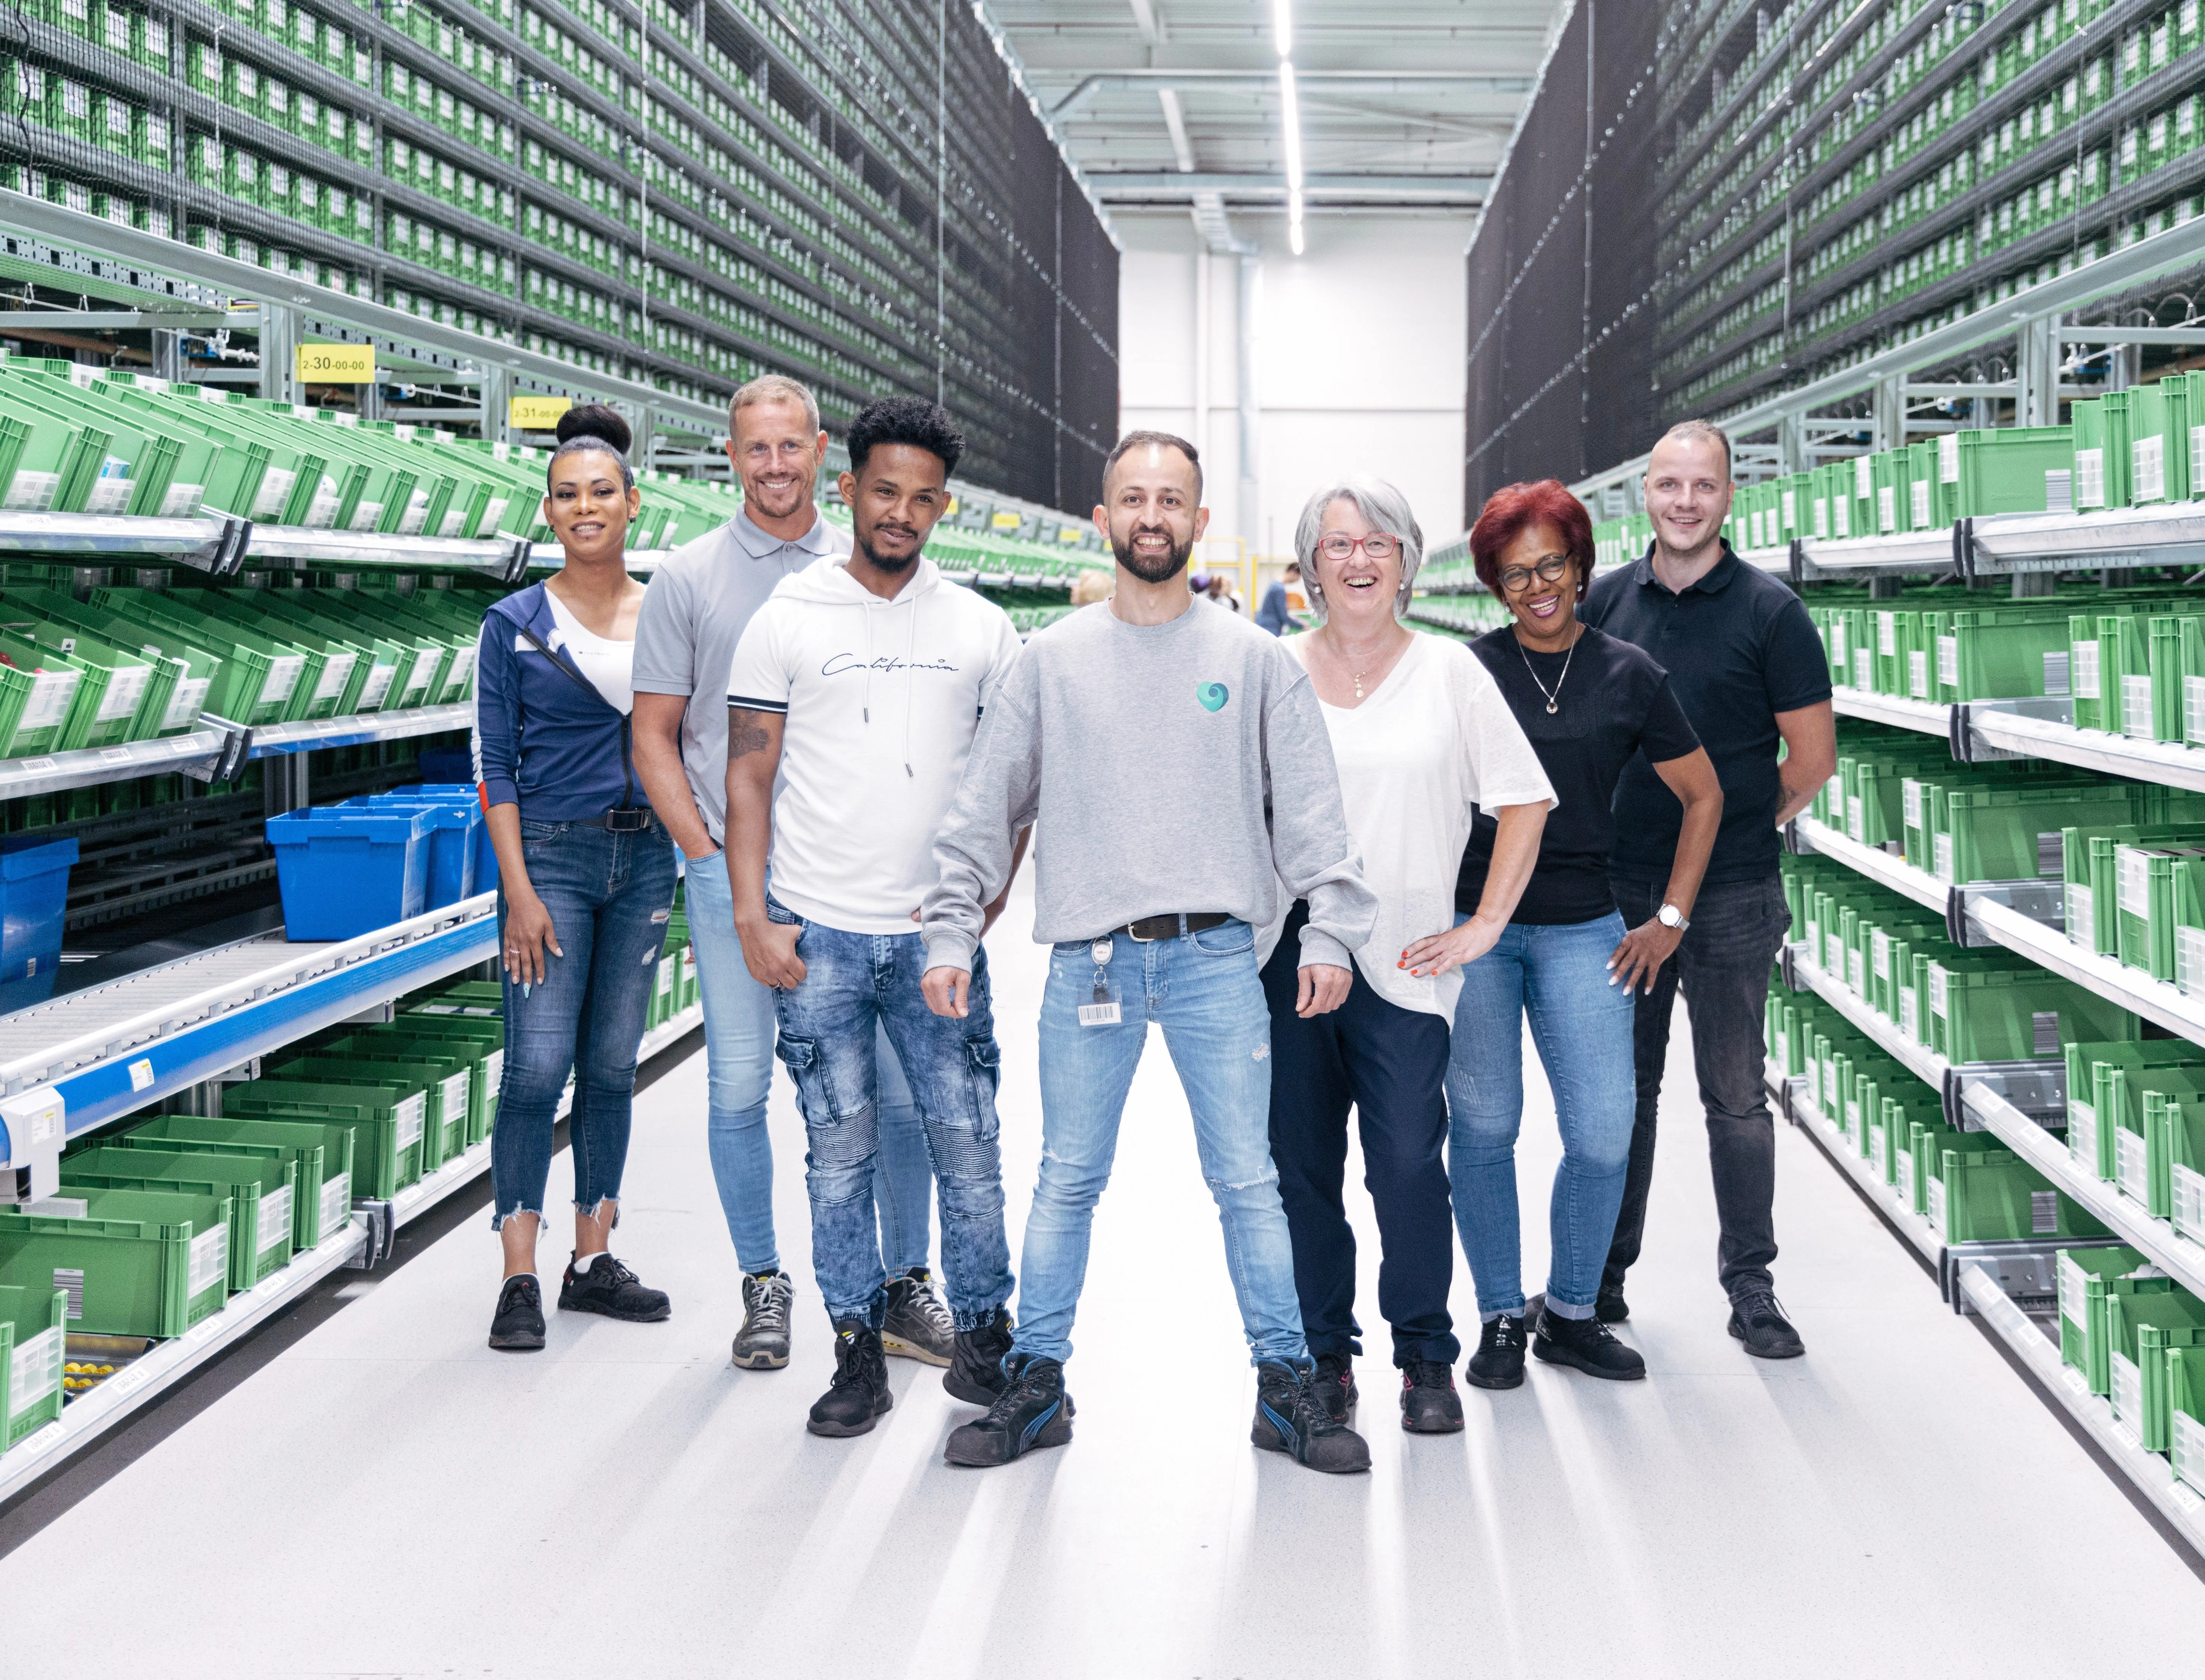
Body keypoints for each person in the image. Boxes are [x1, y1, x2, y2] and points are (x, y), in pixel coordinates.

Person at [921, 430, 1379, 1476]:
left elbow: (1314, 819)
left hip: (1217, 959)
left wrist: (1332, 933)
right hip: (1089, 962)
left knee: (1246, 1183)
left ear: (1197, 522)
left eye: (1170, 499)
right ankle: (1038, 1381)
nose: (1150, 516)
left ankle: (1284, 1385)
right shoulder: (1049, 663)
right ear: (1102, 518)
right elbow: (979, 812)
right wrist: (949, 928)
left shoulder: (1252, 662)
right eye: (1131, 498)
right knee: (1067, 1179)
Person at [631, 374, 947, 1374]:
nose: (774, 464)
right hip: (736, 877)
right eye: (753, 448)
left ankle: (905, 1286)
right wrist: (710, 858)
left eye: (790, 446)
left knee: (897, 1093)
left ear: (822, 456)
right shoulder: (688, 579)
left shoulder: (876, 566)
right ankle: (764, 1287)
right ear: (731, 456)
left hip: (859, 880)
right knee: (735, 1090)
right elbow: (653, 737)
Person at [724, 397, 1024, 1437]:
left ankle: (986, 1342)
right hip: (818, 937)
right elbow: (748, 776)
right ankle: (854, 1349)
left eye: (921, 498)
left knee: (967, 1143)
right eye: (883, 491)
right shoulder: (788, 619)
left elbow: (1008, 785)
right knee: (836, 1152)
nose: (900, 513)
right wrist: (754, 919)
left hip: (933, 939)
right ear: (847, 489)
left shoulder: (980, 628)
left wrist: (979, 903)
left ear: (945, 506)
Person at [1258, 478, 1553, 1434]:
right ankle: (1322, 1363)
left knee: (1404, 1168)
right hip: (1288, 967)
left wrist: (1485, 926)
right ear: (1308, 567)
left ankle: (1424, 1353)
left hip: (1408, 965)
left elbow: (1523, 799)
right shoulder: (1271, 671)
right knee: (1300, 1173)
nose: (1357, 558)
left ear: (1406, 561)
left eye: (1377, 541)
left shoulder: (1451, 675)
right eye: (1335, 543)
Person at [1449, 479, 1724, 1390]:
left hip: (1582, 928)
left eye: (1550, 565)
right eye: (1514, 572)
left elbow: (1703, 796)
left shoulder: (1626, 674)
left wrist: (1668, 920)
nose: (1535, 586)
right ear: (1493, 584)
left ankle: (1569, 1312)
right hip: (1476, 927)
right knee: (1484, 1129)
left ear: (1579, 564)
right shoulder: (1467, 672)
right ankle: (1496, 1315)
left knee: (1604, 1131)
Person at [1582, 420, 1836, 1358]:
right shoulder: (1605, 602)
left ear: (1728, 497)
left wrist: (1725, 834)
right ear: (1642, 495)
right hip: (1618, 890)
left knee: (1732, 1095)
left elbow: (1808, 762)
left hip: (1729, 895)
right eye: (1667, 485)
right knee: (1622, 1094)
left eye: (1702, 486)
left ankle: (1750, 1289)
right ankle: (1598, 1282)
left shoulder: (1771, 614)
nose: (1683, 502)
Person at [472, 405, 678, 1352]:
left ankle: (592, 1259)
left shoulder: (667, 614)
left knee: (608, 1067)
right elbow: (495, 764)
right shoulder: (512, 623)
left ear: (632, 505)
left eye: (602, 492)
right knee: (537, 1065)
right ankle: (519, 1273)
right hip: (549, 857)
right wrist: (516, 889)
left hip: (643, 859)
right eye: (567, 496)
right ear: (546, 512)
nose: (585, 507)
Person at [1255, 561, 1301, 636]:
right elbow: (1283, 616)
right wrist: (1300, 624)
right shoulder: (1279, 589)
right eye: (1297, 579)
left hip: (1266, 626)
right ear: (1293, 573)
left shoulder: (1274, 585)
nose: (1295, 582)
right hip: (1271, 629)